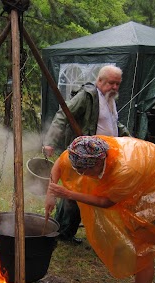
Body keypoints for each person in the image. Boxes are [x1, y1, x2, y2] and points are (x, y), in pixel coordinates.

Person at [44, 135, 155, 283]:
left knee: (143, 250)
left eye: (83, 170)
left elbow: (106, 202)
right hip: (145, 182)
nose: (79, 174)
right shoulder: (84, 149)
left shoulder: (125, 169)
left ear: (98, 163)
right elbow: (59, 165)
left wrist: (68, 193)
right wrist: (50, 193)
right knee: (137, 243)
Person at [43, 65, 131, 244]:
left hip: (101, 157)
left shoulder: (110, 99)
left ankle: (63, 229)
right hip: (84, 155)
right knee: (73, 194)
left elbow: (114, 124)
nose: (115, 87)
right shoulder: (87, 96)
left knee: (81, 194)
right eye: (111, 83)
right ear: (100, 81)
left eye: (117, 84)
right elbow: (63, 114)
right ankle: (62, 231)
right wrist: (50, 141)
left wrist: (128, 138)